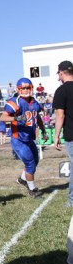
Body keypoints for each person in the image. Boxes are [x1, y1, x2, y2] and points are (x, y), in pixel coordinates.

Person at [0, 78, 47, 197]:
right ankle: (32, 189)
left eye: (27, 88)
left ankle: (22, 179)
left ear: (31, 88)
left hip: (29, 138)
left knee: (35, 161)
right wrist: (16, 118)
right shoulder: (15, 102)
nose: (25, 90)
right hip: (18, 139)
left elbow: (37, 117)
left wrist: (43, 130)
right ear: (18, 89)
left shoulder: (35, 102)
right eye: (23, 88)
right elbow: (3, 117)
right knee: (30, 164)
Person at [53, 60, 73, 209]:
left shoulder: (61, 91)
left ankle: (72, 200)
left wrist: (56, 135)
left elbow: (60, 115)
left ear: (61, 73)